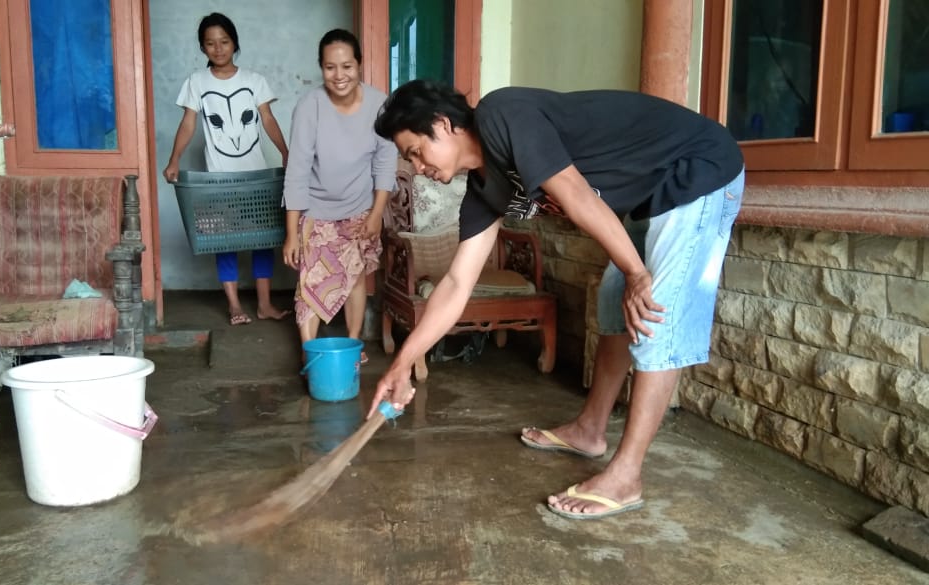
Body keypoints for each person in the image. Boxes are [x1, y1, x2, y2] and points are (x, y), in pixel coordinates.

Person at [370, 80, 744, 520]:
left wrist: (638, 273)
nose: (416, 167)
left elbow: (574, 191)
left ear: (442, 124)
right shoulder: (484, 190)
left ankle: (626, 476)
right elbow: (455, 284)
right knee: (613, 305)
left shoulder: (501, 114)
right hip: (651, 195)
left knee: (652, 312)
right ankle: (590, 430)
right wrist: (401, 364)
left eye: (415, 151)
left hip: (699, 169)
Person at [164, 12, 290, 326]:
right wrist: (174, 159)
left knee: (263, 240)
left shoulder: (254, 80)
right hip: (220, 178)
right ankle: (234, 305)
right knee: (227, 241)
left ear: (234, 42)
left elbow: (268, 119)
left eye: (224, 41)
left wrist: (286, 153)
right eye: (210, 43)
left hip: (256, 176)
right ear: (203, 48)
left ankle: (264, 304)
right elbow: (188, 123)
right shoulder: (197, 82)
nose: (218, 49)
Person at [281, 29, 397, 364]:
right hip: (316, 212)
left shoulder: (379, 105)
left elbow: (385, 163)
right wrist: (292, 234)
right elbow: (297, 171)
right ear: (321, 68)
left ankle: (352, 345)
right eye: (330, 67)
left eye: (347, 66)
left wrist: (376, 214)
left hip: (360, 209)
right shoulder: (309, 107)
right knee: (309, 283)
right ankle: (310, 356)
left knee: (354, 278)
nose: (339, 75)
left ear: (359, 65)